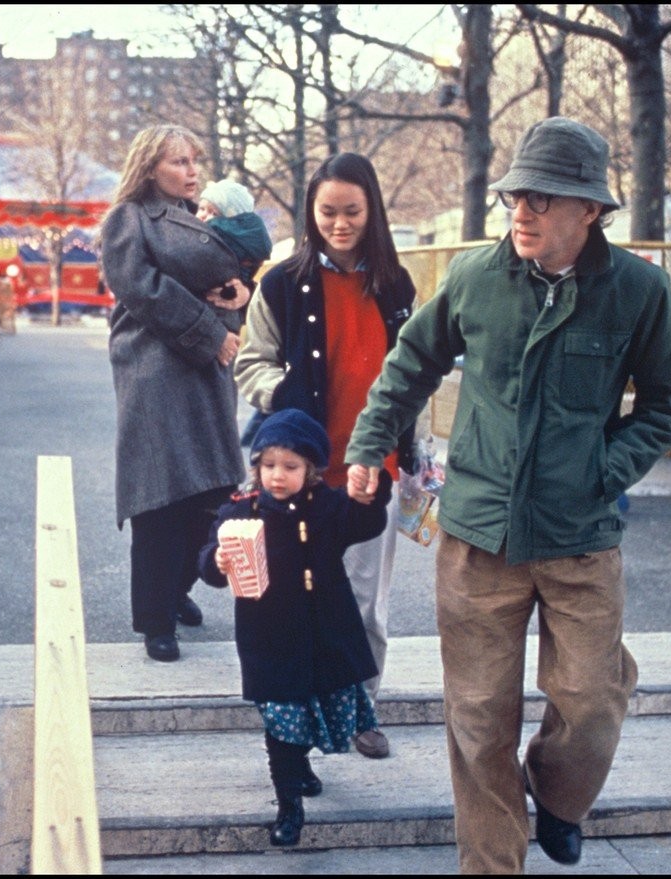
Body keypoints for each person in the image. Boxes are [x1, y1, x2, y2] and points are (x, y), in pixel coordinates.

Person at [345, 117, 671, 873]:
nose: (522, 211)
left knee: (594, 701)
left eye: (544, 198)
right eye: (515, 196)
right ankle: (493, 863)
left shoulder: (639, 290)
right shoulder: (476, 276)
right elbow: (410, 363)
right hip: (477, 538)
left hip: (581, 535)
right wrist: (369, 442)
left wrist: (609, 467)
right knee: (477, 721)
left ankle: (561, 797)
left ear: (590, 211)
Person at [234, 151, 416, 759]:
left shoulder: (396, 285)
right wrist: (282, 393)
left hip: (372, 473)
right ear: (311, 213)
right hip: (299, 476)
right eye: (328, 212)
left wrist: (414, 455)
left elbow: (415, 373)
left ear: (374, 211)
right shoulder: (283, 282)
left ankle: (363, 709)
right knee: (293, 599)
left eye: (353, 212)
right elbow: (249, 362)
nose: (340, 224)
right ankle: (298, 720)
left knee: (365, 603)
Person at [198, 409, 392, 848]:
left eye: (290, 467)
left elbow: (367, 522)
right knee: (281, 720)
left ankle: (301, 767)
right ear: (256, 467)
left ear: (312, 470)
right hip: (268, 637)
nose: (277, 476)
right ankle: (290, 809)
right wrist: (218, 559)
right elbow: (208, 556)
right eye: (268, 465)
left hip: (324, 632)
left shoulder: (328, 507)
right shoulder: (240, 510)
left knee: (311, 711)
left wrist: (371, 495)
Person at [101, 124, 251, 663]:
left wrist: (240, 294)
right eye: (179, 162)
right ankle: (155, 618)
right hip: (156, 372)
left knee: (211, 493)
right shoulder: (129, 218)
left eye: (194, 161)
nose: (192, 171)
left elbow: (226, 284)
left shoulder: (197, 219)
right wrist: (211, 333)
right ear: (149, 168)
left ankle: (178, 586)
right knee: (161, 498)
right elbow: (140, 289)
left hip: (205, 372)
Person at [195, 178, 274, 291]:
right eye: (202, 209)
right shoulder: (250, 239)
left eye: (214, 213)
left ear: (232, 220)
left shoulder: (222, 236)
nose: (203, 215)